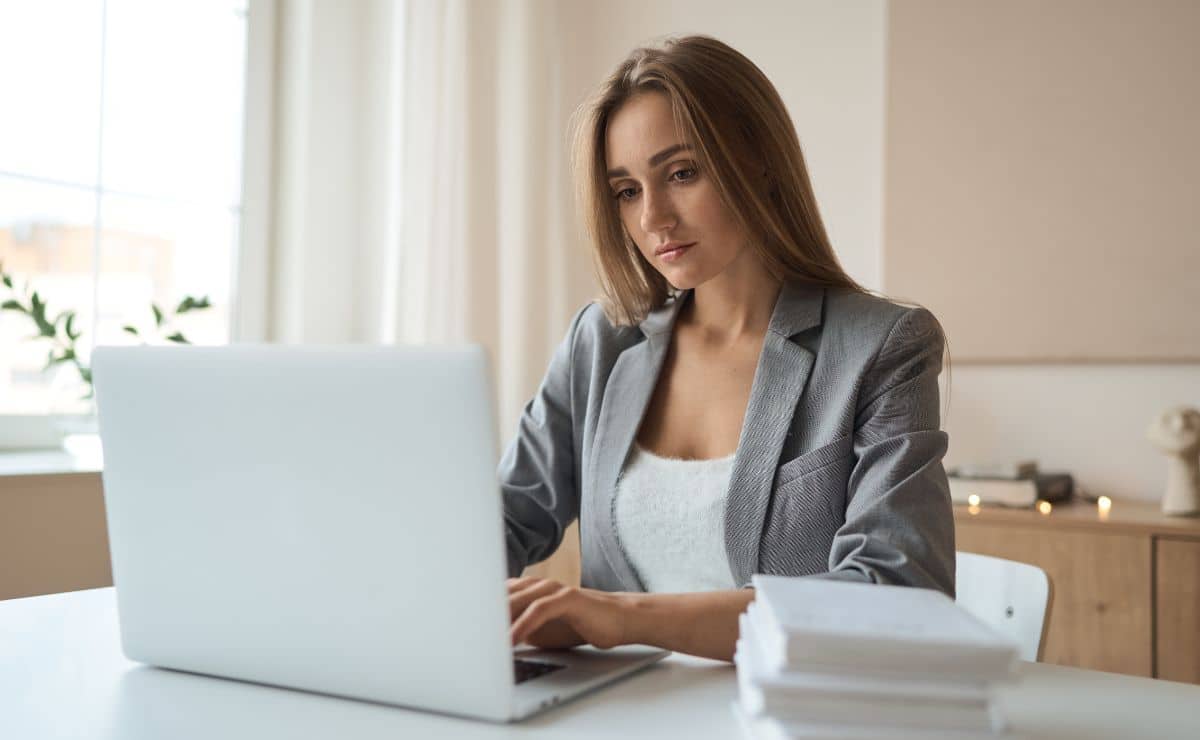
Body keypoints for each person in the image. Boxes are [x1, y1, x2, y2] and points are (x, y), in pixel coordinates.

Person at [502, 35, 953, 663]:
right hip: (611, 716)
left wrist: (624, 618)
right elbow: (501, 521)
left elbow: (897, 594)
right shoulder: (600, 343)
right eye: (627, 191)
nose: (654, 217)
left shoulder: (881, 348)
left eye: (682, 173)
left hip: (788, 718)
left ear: (759, 163)